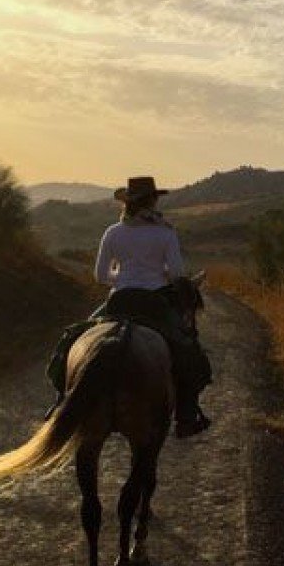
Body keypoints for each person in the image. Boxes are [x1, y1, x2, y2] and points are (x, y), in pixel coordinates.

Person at [46, 176, 212, 438]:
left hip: (118, 300)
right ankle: (186, 415)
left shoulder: (113, 232)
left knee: (71, 339)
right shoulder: (165, 232)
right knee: (190, 352)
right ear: (153, 200)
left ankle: (60, 403)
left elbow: (100, 276)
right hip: (156, 301)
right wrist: (159, 276)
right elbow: (179, 274)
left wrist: (122, 279)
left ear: (128, 203)